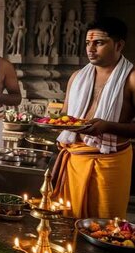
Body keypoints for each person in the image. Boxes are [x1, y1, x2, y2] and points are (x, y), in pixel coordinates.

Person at [53, 17, 135, 219]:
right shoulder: (77, 77)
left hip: (109, 163)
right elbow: (65, 115)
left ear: (119, 45)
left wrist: (107, 126)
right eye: (88, 43)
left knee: (105, 225)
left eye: (98, 43)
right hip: (74, 159)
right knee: (66, 220)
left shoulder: (131, 78)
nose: (90, 49)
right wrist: (56, 122)